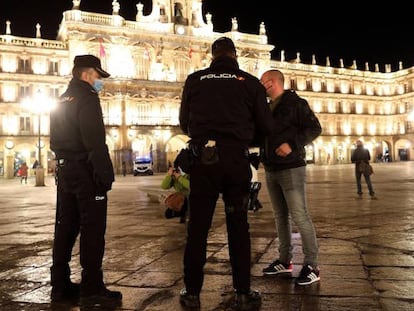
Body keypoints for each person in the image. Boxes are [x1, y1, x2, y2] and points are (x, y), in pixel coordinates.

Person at [178, 37, 274, 309]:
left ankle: (192, 292)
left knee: (197, 229)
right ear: (235, 56)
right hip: (235, 162)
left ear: (212, 56)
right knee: (238, 226)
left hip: (203, 161)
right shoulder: (250, 82)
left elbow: (184, 122)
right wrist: (243, 136)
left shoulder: (195, 80)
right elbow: (266, 124)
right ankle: (243, 291)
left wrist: (204, 134)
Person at [49, 54, 122, 307]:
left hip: (64, 170)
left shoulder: (61, 99)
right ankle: (92, 288)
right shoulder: (88, 98)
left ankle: (60, 285)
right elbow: (94, 140)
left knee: (65, 227)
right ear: (88, 73)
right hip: (85, 171)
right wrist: (104, 175)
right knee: (93, 228)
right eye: (99, 76)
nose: (100, 81)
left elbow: (53, 141)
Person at [259, 69, 322, 286]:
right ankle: (285, 260)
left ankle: (312, 265)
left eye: (262, 82)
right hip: (271, 167)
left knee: (300, 216)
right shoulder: (266, 108)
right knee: (280, 216)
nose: (261, 86)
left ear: (272, 82)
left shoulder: (296, 103)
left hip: (291, 167)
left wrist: (292, 144)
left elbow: (315, 128)